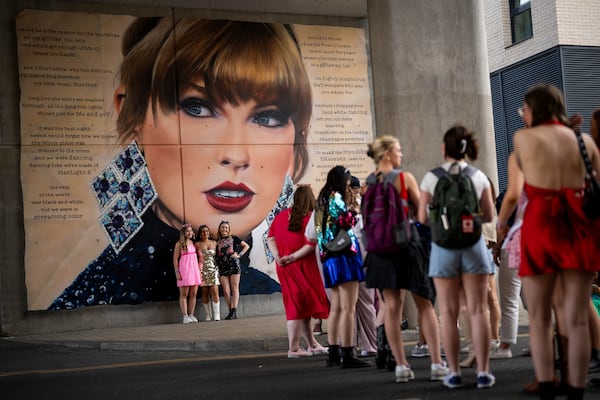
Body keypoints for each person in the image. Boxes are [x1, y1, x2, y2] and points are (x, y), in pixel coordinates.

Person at [49, 18, 313, 309]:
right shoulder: (93, 301)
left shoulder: (273, 291)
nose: (236, 155)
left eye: (267, 117)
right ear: (132, 114)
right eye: (197, 108)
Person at [510, 84, 600, 400]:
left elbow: (520, 178)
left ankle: (547, 386)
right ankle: (576, 390)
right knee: (576, 318)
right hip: (579, 226)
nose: (523, 115)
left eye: (525, 109)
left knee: (538, 317)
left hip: (541, 224)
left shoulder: (523, 139)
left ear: (535, 110)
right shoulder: (586, 142)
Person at [418, 125, 496, 389]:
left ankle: (453, 372)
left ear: (444, 148)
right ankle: (484, 371)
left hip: (443, 248)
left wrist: (443, 223)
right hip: (474, 245)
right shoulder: (479, 176)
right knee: (478, 309)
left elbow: (421, 218)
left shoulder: (431, 177)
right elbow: (489, 215)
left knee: (448, 313)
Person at [364, 135, 446, 383]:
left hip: (379, 252)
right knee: (425, 305)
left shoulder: (369, 184)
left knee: (391, 306)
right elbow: (422, 215)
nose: (402, 155)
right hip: (407, 247)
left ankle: (401, 365)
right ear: (387, 153)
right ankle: (436, 363)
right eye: (398, 150)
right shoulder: (404, 178)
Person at [315, 166, 369, 368]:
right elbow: (346, 223)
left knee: (336, 307)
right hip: (345, 255)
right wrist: (355, 210)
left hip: (329, 257)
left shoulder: (321, 201)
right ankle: (348, 352)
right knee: (348, 307)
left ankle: (334, 351)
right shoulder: (336, 198)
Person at [267, 185, 330, 358]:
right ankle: (293, 348)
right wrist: (292, 257)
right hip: (303, 265)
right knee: (298, 307)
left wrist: (279, 256)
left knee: (301, 305)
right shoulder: (310, 218)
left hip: (284, 267)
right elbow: (312, 245)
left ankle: (312, 344)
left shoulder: (281, 216)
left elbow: (270, 238)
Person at [216, 221, 249, 320]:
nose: (224, 229)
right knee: (226, 291)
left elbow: (246, 246)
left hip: (233, 264)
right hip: (222, 265)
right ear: (219, 229)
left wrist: (239, 255)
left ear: (229, 229)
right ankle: (231, 311)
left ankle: (233, 311)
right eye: (222, 227)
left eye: (226, 227)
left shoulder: (234, 238)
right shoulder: (216, 241)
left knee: (234, 287)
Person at [173, 224, 202, 323]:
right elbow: (175, 259)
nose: (190, 233)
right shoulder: (179, 244)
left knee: (193, 294)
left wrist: (199, 268)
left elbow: (200, 257)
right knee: (184, 294)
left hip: (194, 270)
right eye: (187, 231)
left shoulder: (194, 243)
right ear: (183, 233)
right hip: (185, 270)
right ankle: (185, 316)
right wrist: (177, 271)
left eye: (191, 231)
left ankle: (191, 314)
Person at [196, 225, 220, 321]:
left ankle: (217, 314)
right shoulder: (197, 244)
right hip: (201, 269)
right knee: (205, 292)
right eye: (203, 231)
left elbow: (218, 256)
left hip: (213, 268)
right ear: (200, 233)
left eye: (207, 231)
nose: (205, 233)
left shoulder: (214, 242)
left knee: (214, 291)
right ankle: (208, 315)